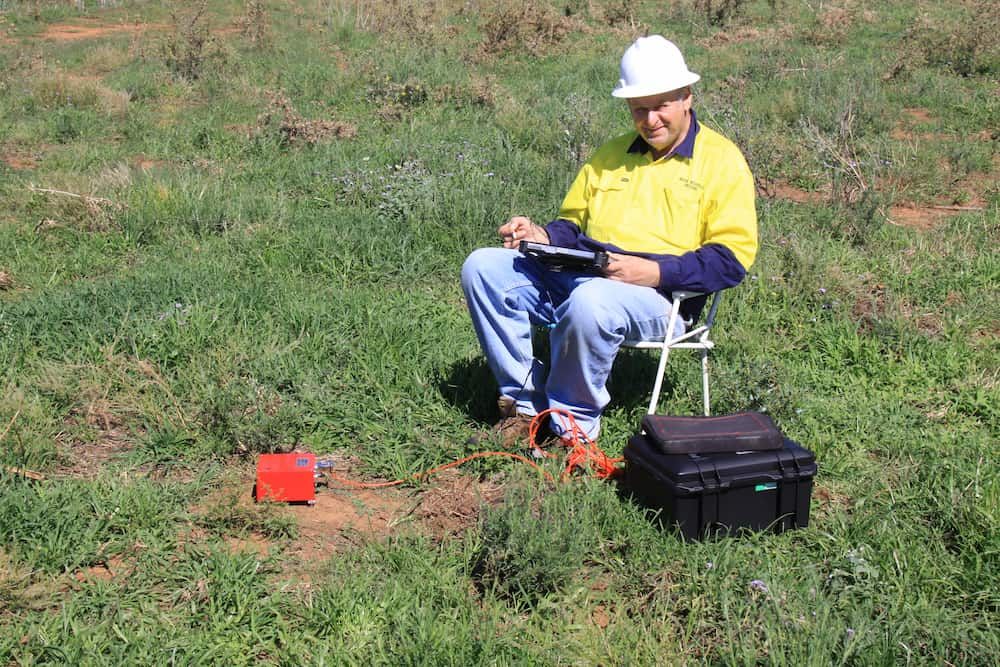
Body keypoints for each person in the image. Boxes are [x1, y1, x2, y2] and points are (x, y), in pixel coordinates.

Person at [461, 35, 758, 445]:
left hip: (663, 299)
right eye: (639, 109)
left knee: (591, 302)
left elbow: (730, 260)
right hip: (584, 274)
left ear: (687, 96)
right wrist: (541, 235)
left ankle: (571, 430)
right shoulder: (611, 154)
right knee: (482, 266)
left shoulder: (722, 162)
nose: (650, 119)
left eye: (661, 106)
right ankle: (523, 408)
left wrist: (652, 272)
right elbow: (573, 225)